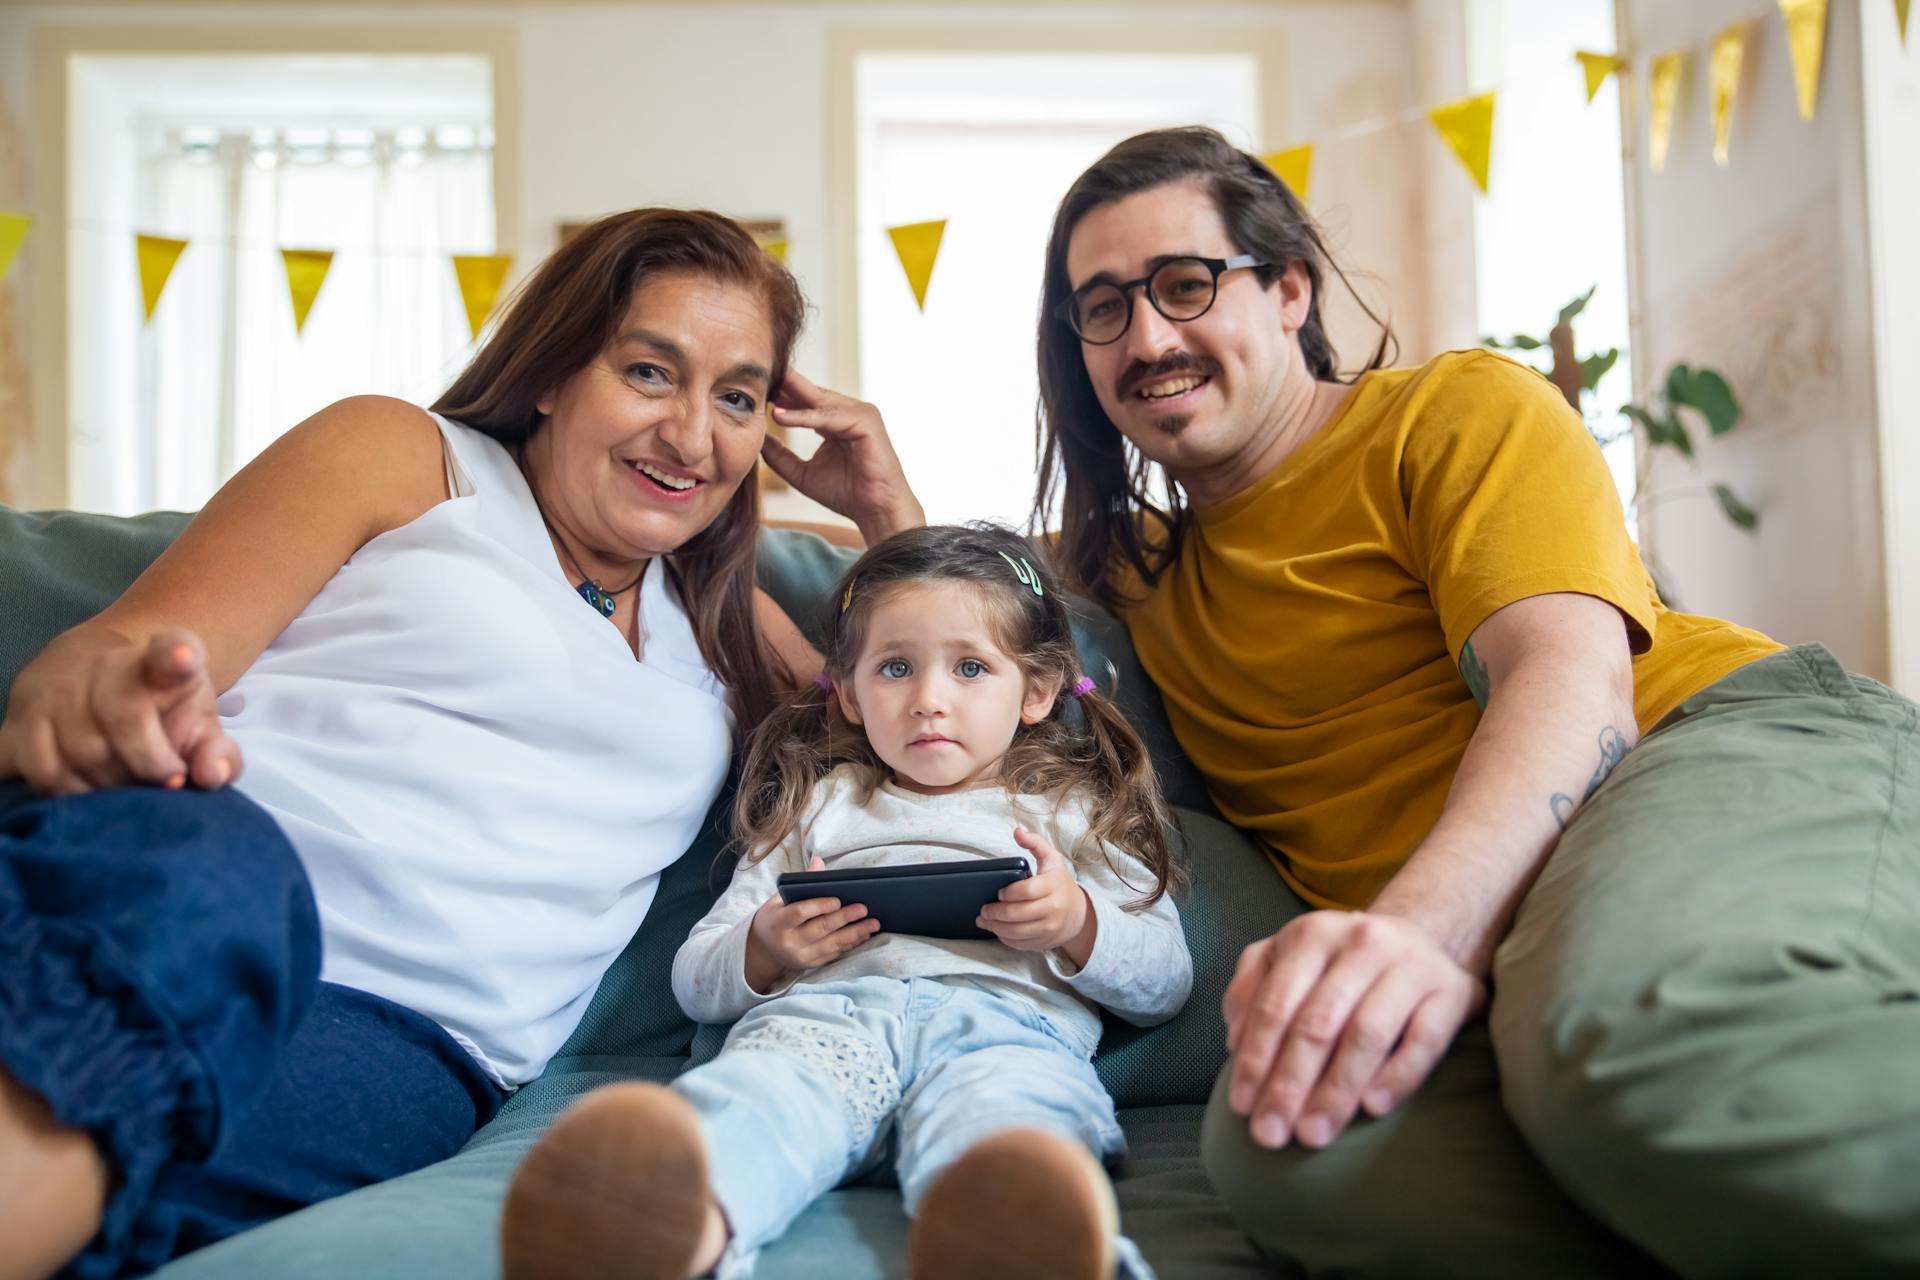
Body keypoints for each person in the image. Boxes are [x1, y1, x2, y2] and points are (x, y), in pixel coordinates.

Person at [824, 127, 1920, 1277]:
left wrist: (1418, 935)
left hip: (1695, 749)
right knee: (1293, 1146)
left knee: (1629, 1043)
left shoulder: (1450, 411)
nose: (1147, 336)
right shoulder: (1135, 571)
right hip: (1513, 923)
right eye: (1103, 308)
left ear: (1289, 287)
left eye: (1185, 284)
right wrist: (876, 499)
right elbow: (958, 636)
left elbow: (1569, 677)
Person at [0, 208, 838, 1280]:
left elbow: (945, 731)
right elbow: (125, 648)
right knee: (225, 879)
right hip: (197, 880)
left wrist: (884, 512)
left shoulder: (734, 623)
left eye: (737, 396)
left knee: (136, 1195)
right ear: (551, 372)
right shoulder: (407, 456)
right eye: (647, 372)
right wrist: (92, 689)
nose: (691, 434)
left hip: (410, 1045)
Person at [498, 524, 1192, 1280]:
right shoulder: (819, 806)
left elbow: (1165, 981)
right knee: (758, 1103)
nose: (928, 700)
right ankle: (657, 1226)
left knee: (1011, 1125)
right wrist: (766, 947)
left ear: (1037, 691)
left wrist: (1076, 924)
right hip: (824, 1028)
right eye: (895, 668)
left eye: (969, 668)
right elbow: (695, 979)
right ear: (852, 694)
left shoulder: (1070, 812)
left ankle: (1021, 1236)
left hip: (1004, 1034)